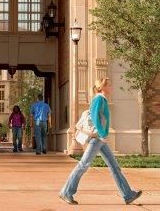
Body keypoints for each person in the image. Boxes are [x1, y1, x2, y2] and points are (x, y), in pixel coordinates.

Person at [59, 77, 142, 205]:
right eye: (109, 85)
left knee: (114, 167)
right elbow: (95, 118)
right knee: (83, 165)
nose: (111, 87)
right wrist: (102, 134)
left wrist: (103, 135)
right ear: (102, 87)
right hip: (97, 138)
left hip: (100, 139)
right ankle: (66, 192)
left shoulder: (102, 99)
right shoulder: (99, 99)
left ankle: (128, 194)